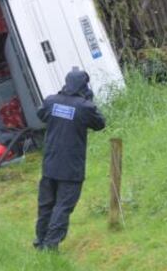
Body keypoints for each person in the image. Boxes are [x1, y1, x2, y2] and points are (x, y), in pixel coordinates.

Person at [34, 68, 106, 251]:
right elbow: (100, 124)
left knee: (46, 204)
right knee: (63, 206)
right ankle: (50, 245)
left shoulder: (51, 101)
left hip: (50, 164)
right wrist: (88, 100)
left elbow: (40, 114)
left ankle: (40, 240)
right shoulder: (85, 107)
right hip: (71, 168)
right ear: (84, 86)